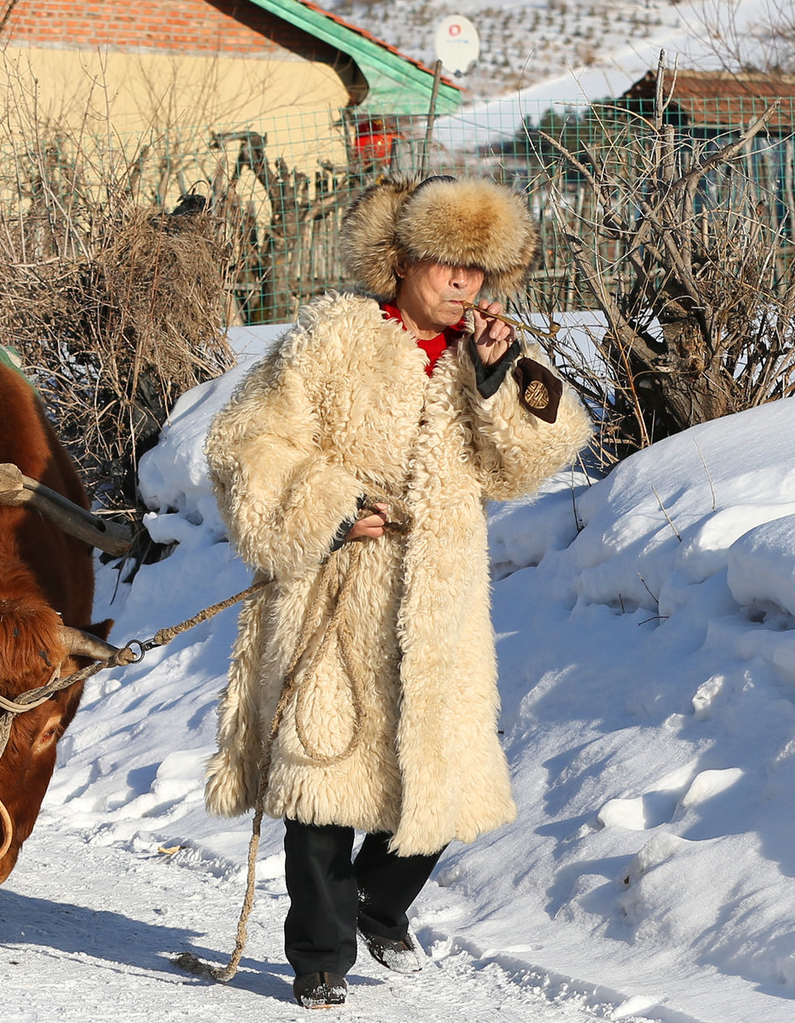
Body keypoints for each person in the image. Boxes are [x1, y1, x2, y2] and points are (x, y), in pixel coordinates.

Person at [201, 174, 589, 1009]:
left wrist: (496, 383)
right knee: (321, 779)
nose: (463, 284)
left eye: (478, 270)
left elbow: (535, 458)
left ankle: (378, 901)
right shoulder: (333, 336)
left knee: (446, 775)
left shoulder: (489, 354)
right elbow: (244, 444)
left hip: (439, 600)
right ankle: (319, 958)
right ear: (402, 260)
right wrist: (332, 507)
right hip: (332, 589)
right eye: (447, 263)